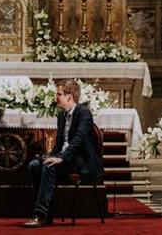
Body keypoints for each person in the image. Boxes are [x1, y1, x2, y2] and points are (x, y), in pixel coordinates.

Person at [23, 79, 104, 228]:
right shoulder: (62, 116)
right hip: (65, 157)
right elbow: (60, 144)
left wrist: (61, 158)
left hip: (80, 160)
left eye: (59, 94)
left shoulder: (84, 114)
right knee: (34, 165)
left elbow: (77, 141)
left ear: (69, 96)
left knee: (49, 167)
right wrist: (50, 155)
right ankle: (47, 214)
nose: (56, 97)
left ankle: (40, 215)